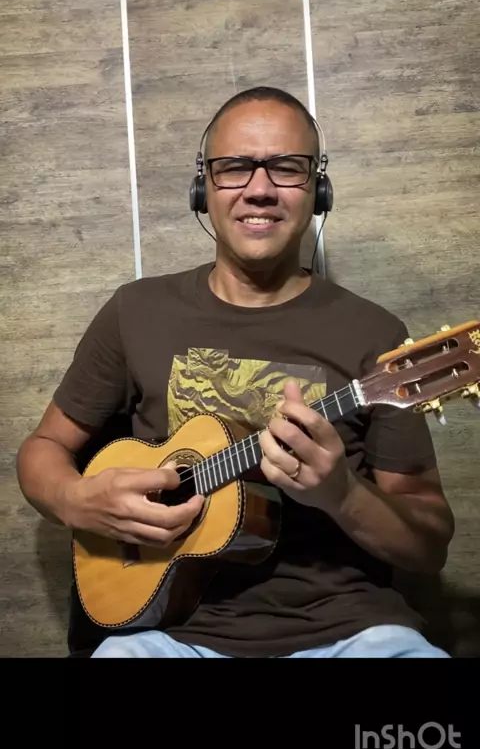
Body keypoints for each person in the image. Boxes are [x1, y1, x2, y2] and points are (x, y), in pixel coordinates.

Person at [16, 86, 455, 658]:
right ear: (204, 186)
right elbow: (43, 449)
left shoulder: (376, 335)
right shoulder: (136, 312)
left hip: (351, 635)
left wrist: (342, 493)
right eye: (235, 167)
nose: (260, 188)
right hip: (168, 636)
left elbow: (429, 548)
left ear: (318, 189)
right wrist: (76, 499)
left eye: (286, 167)